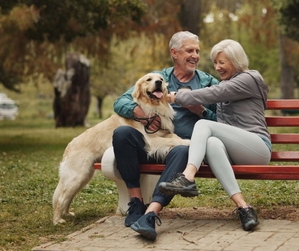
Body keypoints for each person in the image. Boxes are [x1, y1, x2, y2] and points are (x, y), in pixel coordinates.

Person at [112, 31, 219, 240]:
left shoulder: (208, 83)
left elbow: (225, 121)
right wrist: (139, 114)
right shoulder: (158, 78)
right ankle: (135, 203)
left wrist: (202, 112)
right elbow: (120, 102)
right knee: (122, 133)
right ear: (175, 53)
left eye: (197, 51)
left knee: (182, 149)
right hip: (152, 143)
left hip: (182, 150)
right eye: (189, 50)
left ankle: (150, 214)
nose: (195, 55)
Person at [158, 39, 272, 232]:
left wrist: (173, 97)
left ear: (236, 61)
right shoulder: (228, 83)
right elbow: (223, 124)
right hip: (237, 148)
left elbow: (214, 93)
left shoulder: (249, 79)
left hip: (257, 147)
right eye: (215, 62)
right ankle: (244, 207)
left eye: (222, 62)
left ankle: (187, 176)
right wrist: (202, 112)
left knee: (203, 126)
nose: (217, 67)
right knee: (211, 142)